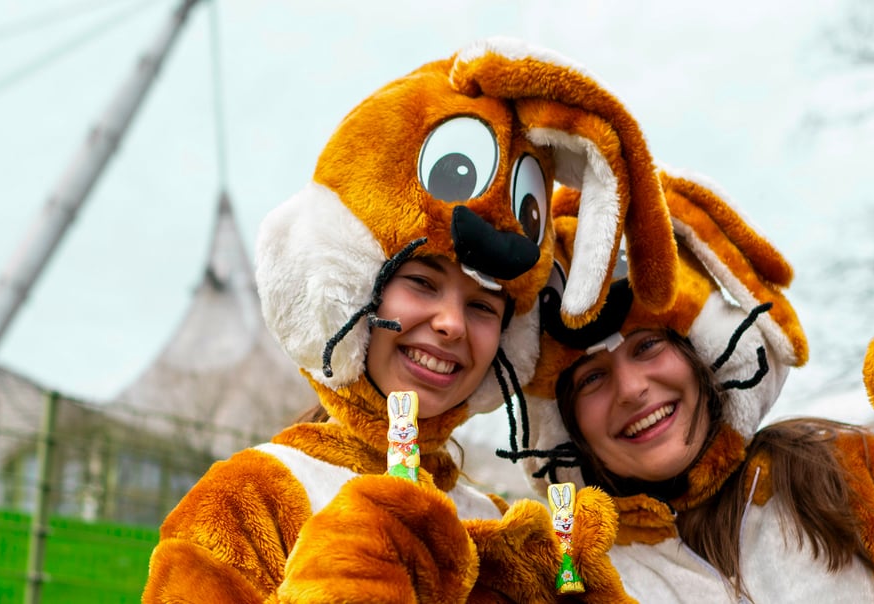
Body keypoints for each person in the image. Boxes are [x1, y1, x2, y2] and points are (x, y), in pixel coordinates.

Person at [142, 37, 680, 603]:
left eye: (483, 306)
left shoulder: (499, 529)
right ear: (352, 289)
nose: (451, 323)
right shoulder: (250, 499)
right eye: (422, 283)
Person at [515, 169, 874, 603]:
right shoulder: (575, 576)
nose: (632, 389)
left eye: (647, 346)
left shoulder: (847, 474)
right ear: (565, 425)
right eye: (591, 376)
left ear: (706, 352)